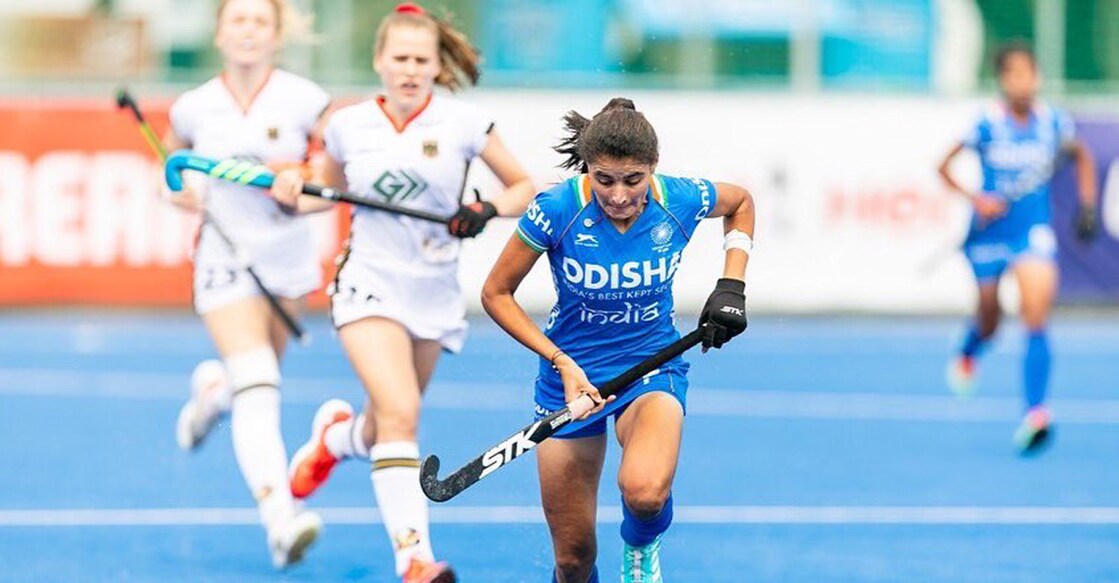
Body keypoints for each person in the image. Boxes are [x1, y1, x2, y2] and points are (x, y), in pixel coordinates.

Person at [269, 3, 534, 581]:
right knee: (401, 414)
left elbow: (523, 187)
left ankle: (336, 440)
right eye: (400, 59)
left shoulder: (465, 124)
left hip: (433, 291)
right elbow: (322, 192)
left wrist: (486, 210)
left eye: (421, 60)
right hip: (368, 283)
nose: (410, 71)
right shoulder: (348, 125)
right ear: (379, 61)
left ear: (437, 65)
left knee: (386, 421)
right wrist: (290, 192)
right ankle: (413, 557)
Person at [479, 97, 754, 583]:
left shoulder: (678, 198)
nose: (620, 196)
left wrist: (731, 285)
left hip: (650, 366)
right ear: (588, 167)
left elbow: (741, 203)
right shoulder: (557, 208)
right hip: (570, 380)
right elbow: (496, 294)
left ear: (653, 167)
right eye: (604, 180)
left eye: (633, 180)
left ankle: (641, 552)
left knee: (645, 493)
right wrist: (561, 362)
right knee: (573, 560)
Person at [161, 0, 329, 569]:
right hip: (223, 259)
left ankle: (214, 392)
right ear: (220, 32)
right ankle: (280, 520)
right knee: (259, 381)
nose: (248, 31)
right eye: (238, 20)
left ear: (276, 34)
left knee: (254, 380)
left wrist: (300, 185)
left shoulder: (305, 99)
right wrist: (178, 192)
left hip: (286, 263)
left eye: (260, 21)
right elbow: (169, 169)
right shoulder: (194, 107)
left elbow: (332, 175)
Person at [937, 43, 1098, 454]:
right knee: (990, 320)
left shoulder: (1053, 122)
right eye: (1015, 75)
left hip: (1032, 233)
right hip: (989, 235)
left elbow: (1082, 158)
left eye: (1029, 74)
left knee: (1036, 315)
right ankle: (969, 348)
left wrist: (1086, 204)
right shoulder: (986, 124)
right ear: (1003, 80)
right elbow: (943, 166)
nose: (1023, 83)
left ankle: (1036, 413)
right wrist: (977, 200)